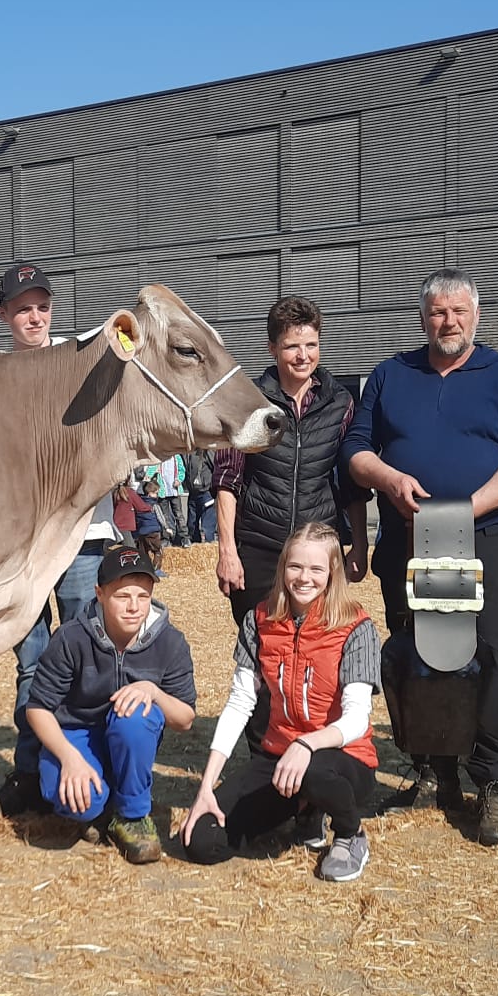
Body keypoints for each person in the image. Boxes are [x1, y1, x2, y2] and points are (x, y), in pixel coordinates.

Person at [342, 270, 498, 846]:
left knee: (495, 655)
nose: (449, 321)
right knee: (422, 653)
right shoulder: (390, 374)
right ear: (423, 318)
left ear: (476, 316)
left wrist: (467, 508)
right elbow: (356, 450)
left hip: (486, 537)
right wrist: (388, 478)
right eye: (438, 312)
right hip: (409, 541)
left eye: (459, 311)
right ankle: (435, 771)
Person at [0, 262, 120, 815]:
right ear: (4, 315)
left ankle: (96, 766)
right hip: (22, 541)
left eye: (42, 307)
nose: (34, 317)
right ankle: (32, 772)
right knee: (33, 656)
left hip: (84, 532)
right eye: (23, 309)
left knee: (91, 649)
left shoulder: (79, 361)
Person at [181, 523, 382, 882]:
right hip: (281, 759)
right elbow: (240, 703)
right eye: (295, 566)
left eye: (316, 568)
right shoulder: (259, 620)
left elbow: (356, 719)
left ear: (332, 572)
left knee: (316, 772)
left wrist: (307, 745)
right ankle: (305, 810)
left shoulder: (356, 626)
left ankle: (350, 834)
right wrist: (206, 787)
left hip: (342, 762)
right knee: (202, 841)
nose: (304, 578)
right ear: (282, 567)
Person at [214, 296, 368, 758]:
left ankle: (311, 756)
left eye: (311, 344)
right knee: (265, 654)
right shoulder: (248, 400)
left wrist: (358, 543)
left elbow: (351, 482)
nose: (303, 355)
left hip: (317, 550)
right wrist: (227, 551)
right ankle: (264, 760)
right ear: (272, 348)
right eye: (291, 346)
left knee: (318, 655)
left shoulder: (340, 402)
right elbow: (227, 479)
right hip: (260, 545)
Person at [24, 547, 197, 863]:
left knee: (136, 716)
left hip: (129, 734)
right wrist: (69, 757)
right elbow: (37, 708)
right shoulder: (71, 638)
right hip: (76, 732)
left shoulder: (170, 642)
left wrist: (153, 692)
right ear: (100, 594)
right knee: (78, 802)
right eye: (122, 596)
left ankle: (132, 815)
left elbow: (185, 719)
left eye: (143, 596)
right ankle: (101, 805)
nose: (134, 607)